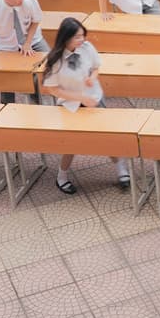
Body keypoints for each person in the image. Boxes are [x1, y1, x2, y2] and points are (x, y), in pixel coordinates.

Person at [41, 18, 130, 193]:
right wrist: (79, 97)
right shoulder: (55, 60)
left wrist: (92, 78)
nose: (82, 40)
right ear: (65, 38)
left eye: (83, 35)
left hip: (94, 99)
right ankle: (62, 177)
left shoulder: (87, 48)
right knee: (72, 144)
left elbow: (96, 66)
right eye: (77, 37)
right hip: (70, 106)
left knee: (107, 136)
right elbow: (52, 88)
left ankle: (121, 170)